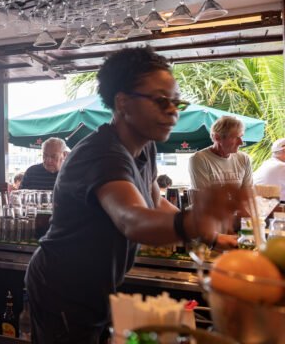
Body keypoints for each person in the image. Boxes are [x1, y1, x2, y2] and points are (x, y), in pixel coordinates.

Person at [24, 47, 246, 344]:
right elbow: (133, 220)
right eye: (161, 101)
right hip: (63, 287)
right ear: (123, 102)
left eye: (176, 102)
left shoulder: (145, 147)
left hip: (97, 285)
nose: (173, 111)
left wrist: (213, 236)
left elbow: (154, 202)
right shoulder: (103, 154)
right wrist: (194, 222)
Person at [188, 116, 253, 190]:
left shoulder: (244, 158)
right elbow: (204, 198)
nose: (241, 142)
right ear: (217, 137)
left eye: (241, 137)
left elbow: (248, 194)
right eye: (235, 138)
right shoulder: (199, 159)